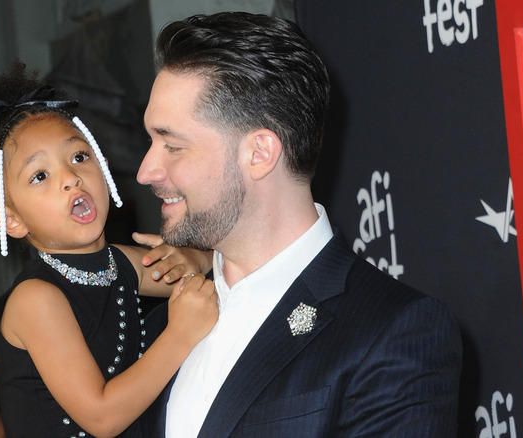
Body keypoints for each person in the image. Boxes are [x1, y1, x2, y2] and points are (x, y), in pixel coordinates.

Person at [132, 11, 463, 437]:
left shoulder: (390, 331)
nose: (145, 170)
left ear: (260, 153)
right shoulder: (158, 329)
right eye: (151, 141)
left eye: (173, 146)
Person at [0, 60, 218, 438]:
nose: (70, 178)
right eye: (40, 176)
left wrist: (193, 256)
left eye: (79, 157)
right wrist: (181, 333)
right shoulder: (36, 300)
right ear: (12, 220)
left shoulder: (121, 264)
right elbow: (101, 416)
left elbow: (206, 267)